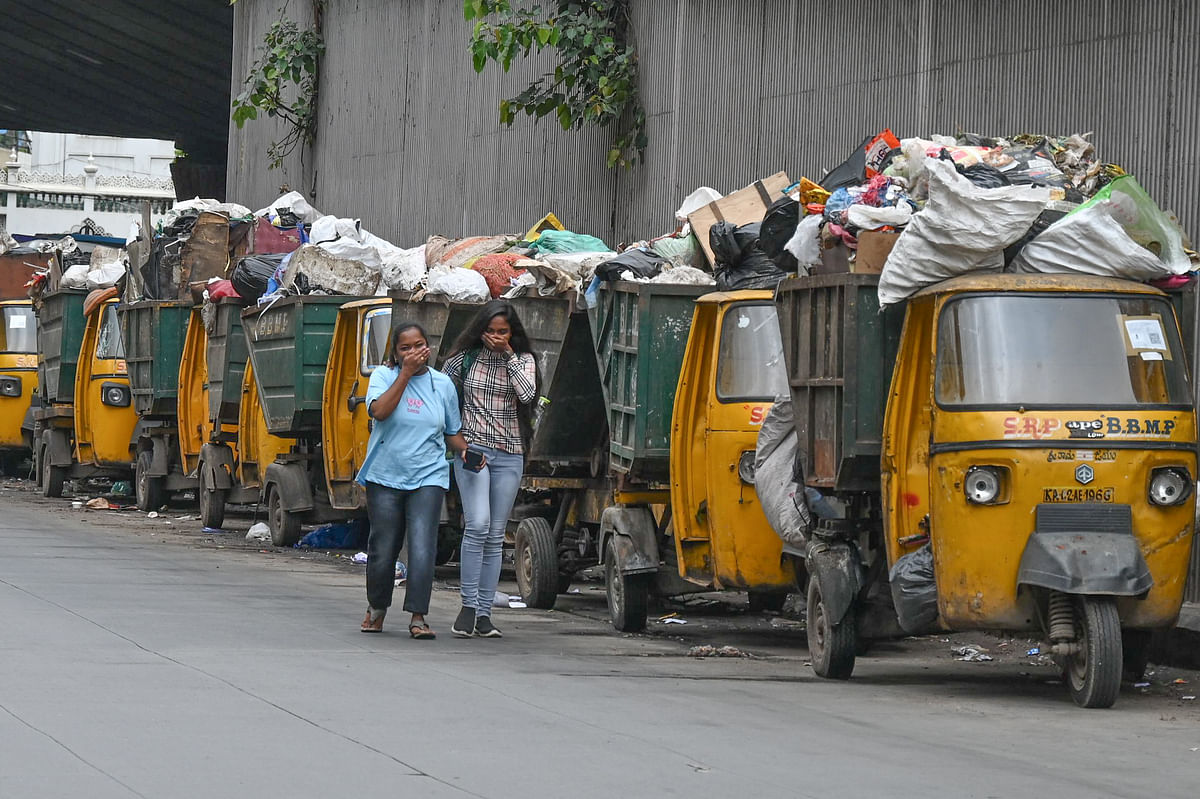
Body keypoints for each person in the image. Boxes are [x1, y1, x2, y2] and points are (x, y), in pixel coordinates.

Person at [356, 321, 468, 638]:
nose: (413, 352)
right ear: (395, 353)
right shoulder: (383, 377)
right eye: (405, 348)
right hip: (386, 474)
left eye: (418, 345)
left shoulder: (442, 384)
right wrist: (404, 374)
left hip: (428, 475)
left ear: (428, 347)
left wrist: (467, 452)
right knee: (384, 546)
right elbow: (379, 412)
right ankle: (376, 608)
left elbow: (451, 432)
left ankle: (418, 616)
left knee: (422, 546)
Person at [443, 300, 538, 638]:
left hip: (510, 453)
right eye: (491, 331)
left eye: (503, 332)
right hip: (473, 451)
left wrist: (510, 356)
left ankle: (484, 614)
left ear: (512, 334)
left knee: (496, 535)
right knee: (478, 525)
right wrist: (456, 441)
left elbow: (527, 395)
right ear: (480, 330)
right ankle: (468, 607)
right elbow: (440, 391)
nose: (496, 337)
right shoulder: (464, 359)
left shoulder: (523, 360)